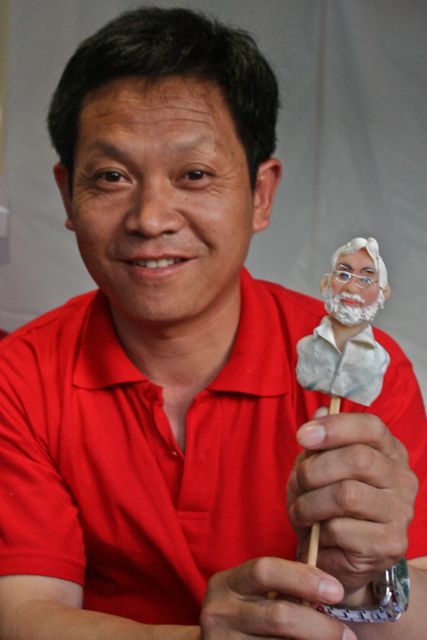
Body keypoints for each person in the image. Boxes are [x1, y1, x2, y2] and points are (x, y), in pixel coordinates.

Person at [0, 7, 426, 640]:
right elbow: (23, 613)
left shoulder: (359, 367)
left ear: (261, 194)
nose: (150, 218)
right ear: (68, 195)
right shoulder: (18, 377)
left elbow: (416, 616)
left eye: (194, 175)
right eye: (112, 177)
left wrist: (367, 581)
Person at [296, 237, 391, 406]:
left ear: (383, 294)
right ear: (325, 284)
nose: (351, 287)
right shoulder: (305, 347)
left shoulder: (378, 360)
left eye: (365, 280)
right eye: (343, 275)